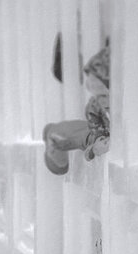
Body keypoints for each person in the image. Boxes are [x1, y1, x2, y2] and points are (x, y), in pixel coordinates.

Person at [41, 42, 110, 176]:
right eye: (96, 95)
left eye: (104, 95)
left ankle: (56, 136)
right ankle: (53, 135)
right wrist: (95, 146)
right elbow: (93, 135)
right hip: (99, 132)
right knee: (82, 135)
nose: (101, 101)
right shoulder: (95, 107)